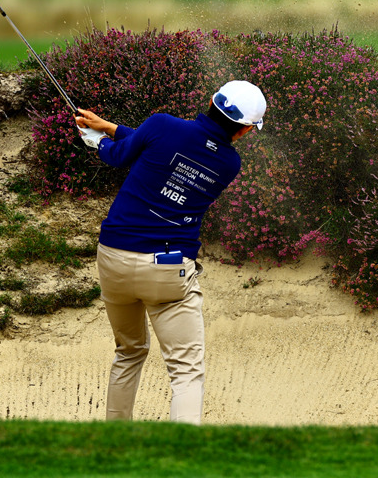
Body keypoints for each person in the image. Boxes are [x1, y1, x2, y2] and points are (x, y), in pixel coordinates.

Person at [74, 80, 267, 424]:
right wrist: (110, 127)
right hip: (168, 270)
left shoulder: (161, 124)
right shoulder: (229, 164)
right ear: (245, 132)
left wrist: (98, 140)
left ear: (211, 101)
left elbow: (128, 153)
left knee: (129, 352)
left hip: (114, 259)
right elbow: (171, 149)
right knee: (186, 371)